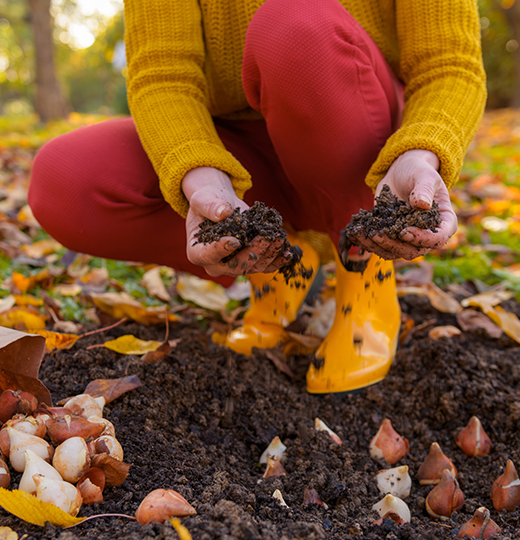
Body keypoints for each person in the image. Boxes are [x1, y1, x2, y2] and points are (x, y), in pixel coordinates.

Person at [28, 0, 487, 394]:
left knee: (292, 23)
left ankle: (365, 284)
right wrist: (200, 177)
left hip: (359, 145)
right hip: (238, 157)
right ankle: (279, 266)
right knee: (65, 181)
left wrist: (422, 151)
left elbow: (449, 64)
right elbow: (162, 74)